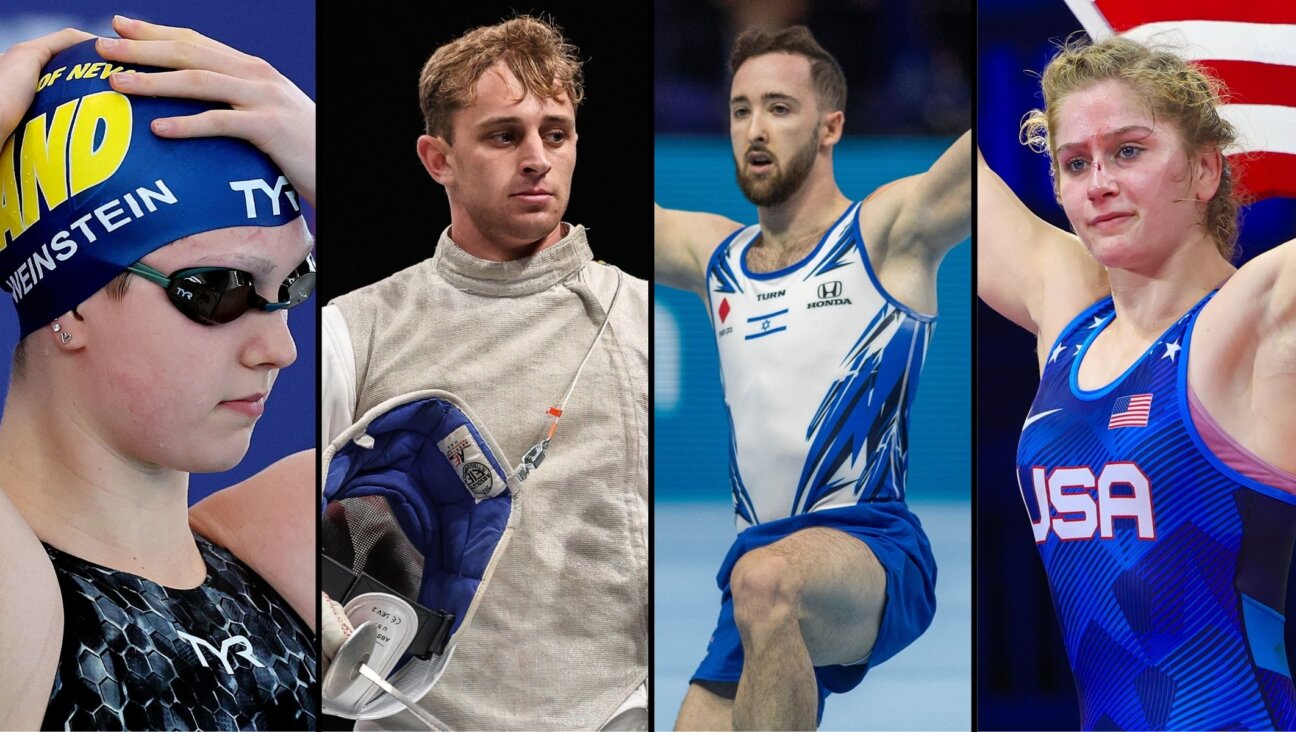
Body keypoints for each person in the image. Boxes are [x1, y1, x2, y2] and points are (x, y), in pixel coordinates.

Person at [320, 15, 648, 731]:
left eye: (555, 134)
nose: (536, 158)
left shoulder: (640, 319)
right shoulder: (356, 329)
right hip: (411, 716)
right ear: (437, 158)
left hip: (613, 713)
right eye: (505, 136)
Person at [0, 16, 317, 730]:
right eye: (219, 289)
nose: (278, 348)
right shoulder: (22, 603)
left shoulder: (287, 542)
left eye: (296, 285)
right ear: (70, 302)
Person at [655, 25, 970, 730]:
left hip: (876, 548)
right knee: (759, 584)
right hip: (756, 575)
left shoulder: (886, 235)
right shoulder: (718, 259)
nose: (754, 129)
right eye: (740, 110)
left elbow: (986, 156)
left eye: (778, 107)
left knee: (766, 581)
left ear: (831, 126)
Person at [979, 34, 1296, 730]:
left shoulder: (1254, 322)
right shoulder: (1069, 325)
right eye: (1075, 162)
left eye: (1128, 151)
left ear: (1206, 170)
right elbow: (961, 184)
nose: (1099, 183)